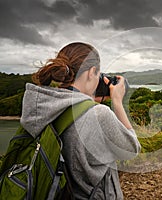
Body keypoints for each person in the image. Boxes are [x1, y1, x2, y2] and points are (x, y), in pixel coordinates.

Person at [20, 42, 141, 199]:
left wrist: (87, 102)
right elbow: (132, 149)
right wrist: (116, 102)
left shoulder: (42, 108)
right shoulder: (99, 115)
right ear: (91, 72)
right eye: (98, 75)